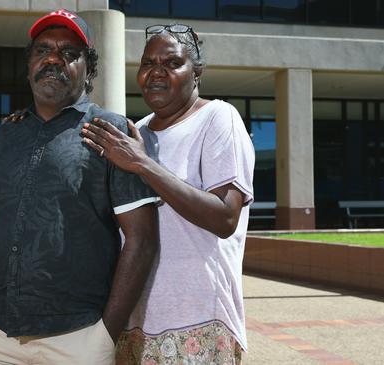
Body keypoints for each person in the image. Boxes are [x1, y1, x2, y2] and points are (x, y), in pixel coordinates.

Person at [0, 9, 160, 365]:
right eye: (42, 50)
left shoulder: (111, 132)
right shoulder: (3, 137)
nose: (53, 59)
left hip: (79, 337)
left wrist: (106, 334)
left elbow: (142, 239)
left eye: (70, 54)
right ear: (29, 65)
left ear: (88, 70)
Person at [81, 23, 255, 364]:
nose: (156, 73)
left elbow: (225, 217)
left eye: (172, 63)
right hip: (135, 320)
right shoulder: (136, 132)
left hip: (200, 320)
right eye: (148, 64)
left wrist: (143, 164)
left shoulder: (218, 118)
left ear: (197, 72)